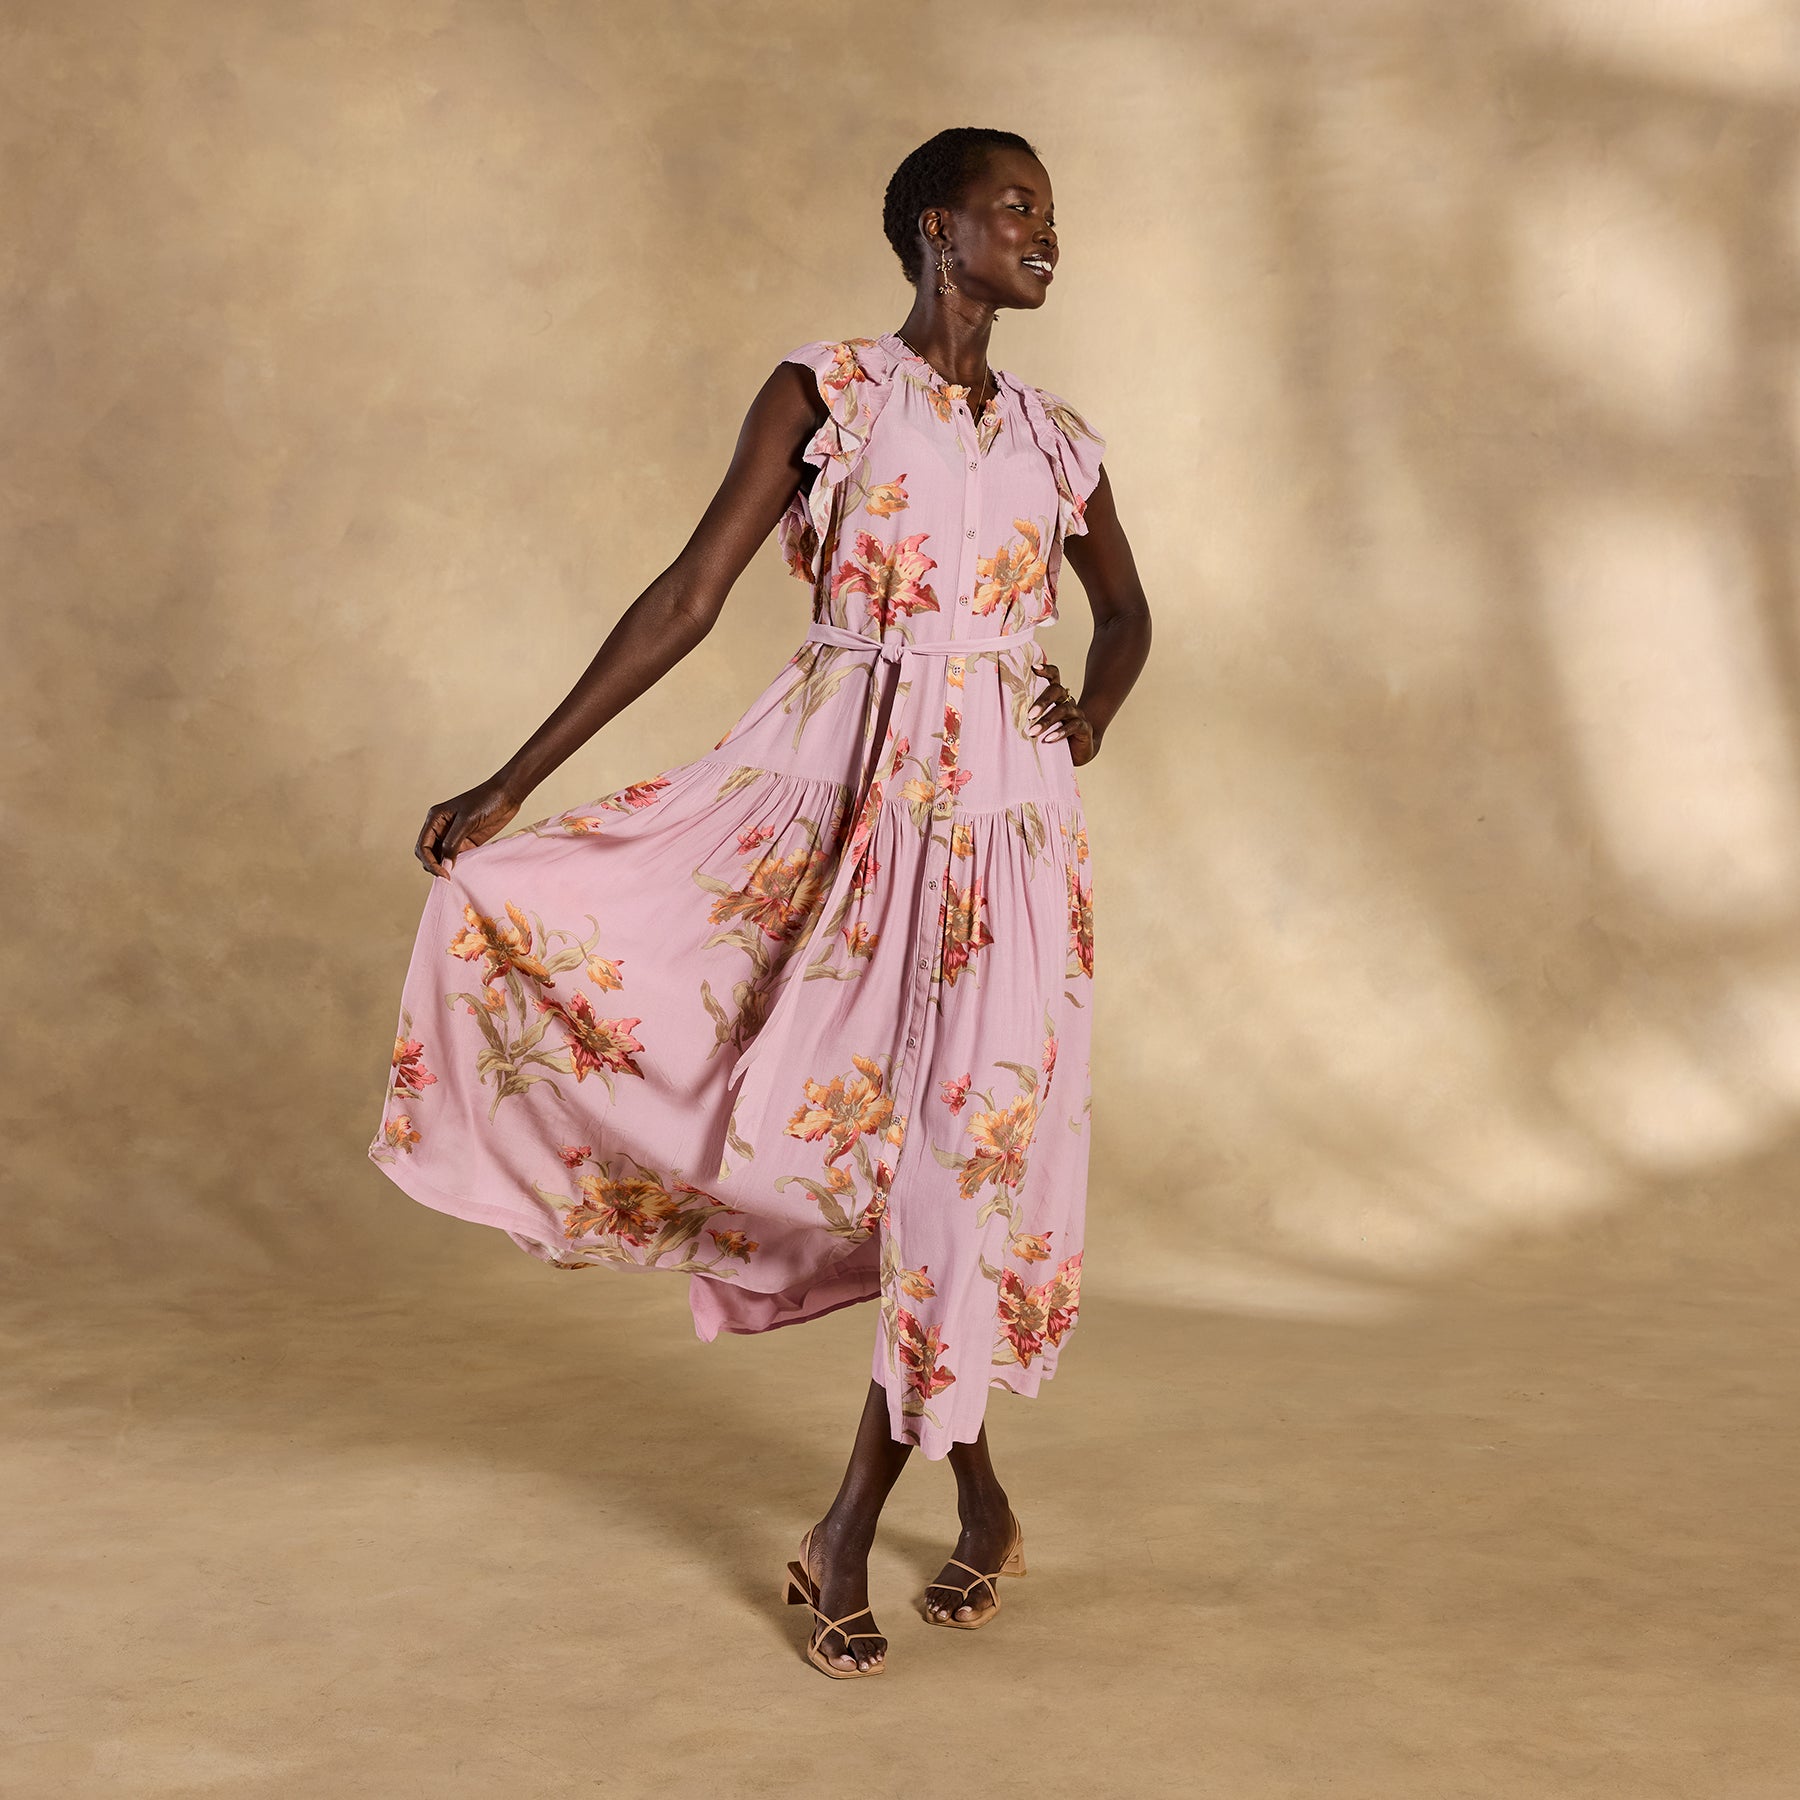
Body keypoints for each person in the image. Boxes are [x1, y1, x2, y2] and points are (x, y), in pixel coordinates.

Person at [367, 125, 1152, 1678]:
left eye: (1050, 211)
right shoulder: (829, 393)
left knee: (962, 1173)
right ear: (938, 230)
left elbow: (1125, 613)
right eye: (1014, 207)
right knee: (898, 1162)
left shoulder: (1060, 441)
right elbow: (689, 595)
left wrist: (1094, 713)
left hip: (1010, 843)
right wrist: (516, 781)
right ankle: (978, 1500)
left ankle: (848, 1526)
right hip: (844, 810)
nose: (1044, 231)